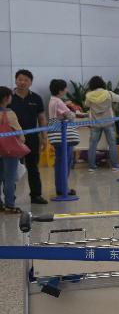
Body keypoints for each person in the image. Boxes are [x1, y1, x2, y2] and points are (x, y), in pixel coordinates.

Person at [10, 70, 48, 204]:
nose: (22, 82)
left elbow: (42, 118)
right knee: (11, 169)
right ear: (15, 80)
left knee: (33, 167)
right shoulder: (8, 97)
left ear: (30, 82)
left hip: (32, 138)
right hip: (12, 139)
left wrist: (44, 137)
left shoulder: (36, 98)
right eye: (20, 79)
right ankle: (9, 198)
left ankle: (36, 195)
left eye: (26, 80)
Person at [47, 79, 80, 198]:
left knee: (60, 162)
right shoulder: (59, 102)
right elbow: (70, 117)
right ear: (60, 90)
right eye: (65, 88)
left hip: (55, 133)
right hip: (63, 135)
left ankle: (61, 188)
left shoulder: (52, 101)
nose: (66, 90)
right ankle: (63, 188)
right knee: (65, 162)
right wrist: (73, 110)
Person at [84, 75, 119, 172]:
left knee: (93, 144)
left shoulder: (89, 95)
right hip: (108, 122)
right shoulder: (108, 93)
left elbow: (86, 105)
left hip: (95, 123)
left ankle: (92, 166)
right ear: (102, 83)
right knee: (112, 143)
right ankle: (115, 165)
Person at [0, 86, 25, 213]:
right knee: (9, 178)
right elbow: (19, 132)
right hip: (9, 150)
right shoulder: (9, 113)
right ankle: (10, 204)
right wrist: (22, 142)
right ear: (6, 98)